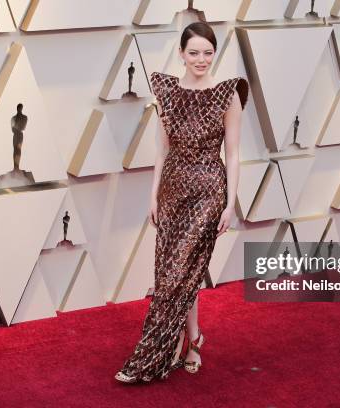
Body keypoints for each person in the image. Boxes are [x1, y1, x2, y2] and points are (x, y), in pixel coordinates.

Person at [114, 21, 249, 383]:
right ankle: (192, 341)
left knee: (177, 273)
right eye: (194, 53)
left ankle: (148, 358)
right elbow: (162, 150)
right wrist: (153, 194)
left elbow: (233, 155)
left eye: (208, 52)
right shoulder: (168, 92)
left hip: (208, 190)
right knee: (177, 272)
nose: (201, 59)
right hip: (172, 190)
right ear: (181, 54)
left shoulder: (227, 94)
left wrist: (230, 204)